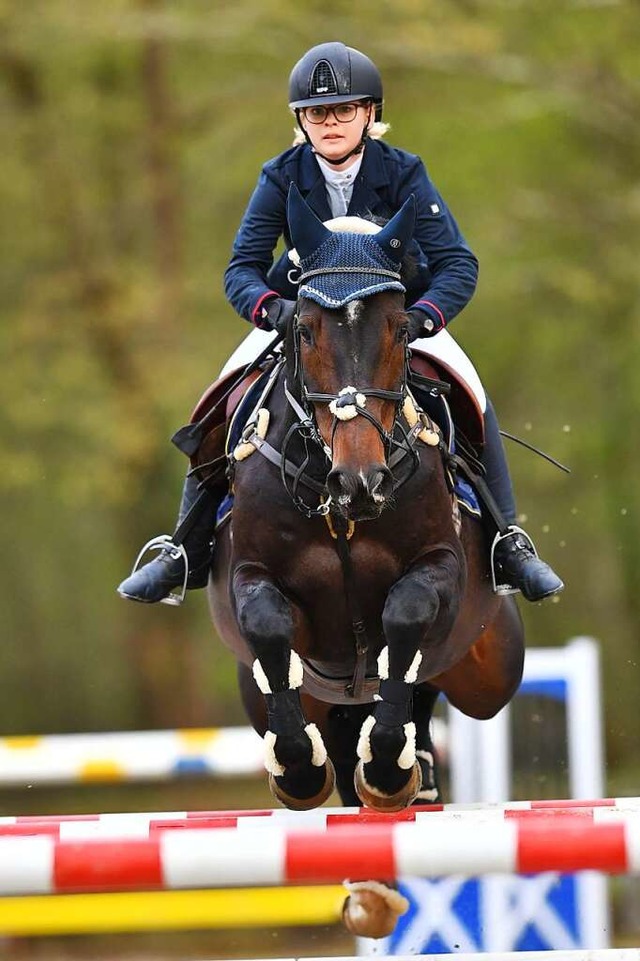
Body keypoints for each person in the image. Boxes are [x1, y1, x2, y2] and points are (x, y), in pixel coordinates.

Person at [118, 41, 563, 606]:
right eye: (316, 113)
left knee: (471, 390)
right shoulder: (280, 175)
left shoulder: (403, 171)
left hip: (390, 324)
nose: (329, 123)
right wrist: (268, 310)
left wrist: (424, 318)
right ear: (300, 120)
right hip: (303, 322)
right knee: (222, 395)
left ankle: (508, 542)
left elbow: (457, 263)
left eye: (343, 110)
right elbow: (242, 268)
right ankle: (182, 551)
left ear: (369, 114)